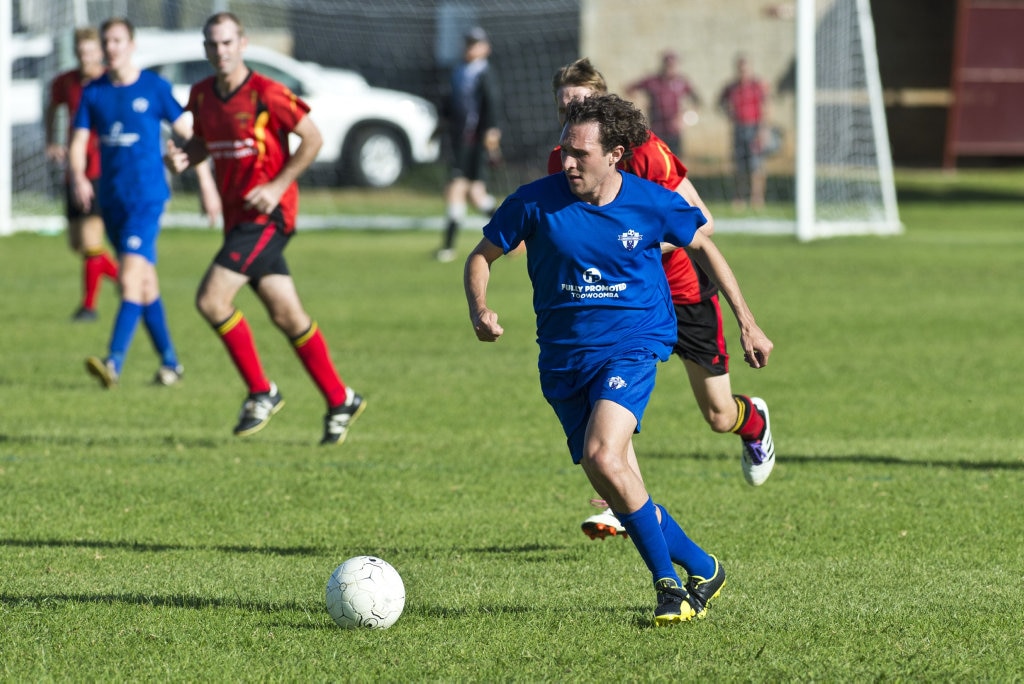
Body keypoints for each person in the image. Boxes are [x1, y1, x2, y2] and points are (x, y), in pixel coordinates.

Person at [465, 94, 773, 625]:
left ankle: (669, 589)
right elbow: (481, 255)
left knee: (605, 455)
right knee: (615, 475)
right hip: (563, 359)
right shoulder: (534, 201)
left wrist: (747, 319)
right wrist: (480, 308)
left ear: (615, 155)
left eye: (581, 154)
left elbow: (705, 246)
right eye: (564, 151)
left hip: (635, 341)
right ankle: (703, 565)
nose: (567, 163)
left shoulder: (652, 202)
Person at [549, 59, 776, 542]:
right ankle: (621, 502)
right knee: (607, 404)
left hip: (683, 292)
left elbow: (703, 222)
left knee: (718, 416)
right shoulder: (565, 163)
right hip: (620, 305)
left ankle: (752, 420)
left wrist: (639, 240)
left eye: (582, 103)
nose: (572, 113)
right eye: (565, 106)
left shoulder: (647, 153)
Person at [163, 12, 365, 445]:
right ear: (205, 49)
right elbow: (202, 144)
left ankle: (261, 391)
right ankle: (340, 397)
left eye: (227, 42)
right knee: (287, 315)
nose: (220, 51)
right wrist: (184, 157)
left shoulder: (267, 93)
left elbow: (312, 138)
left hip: (268, 217)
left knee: (211, 300)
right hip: (239, 221)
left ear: (243, 43)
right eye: (213, 44)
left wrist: (276, 187)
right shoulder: (201, 96)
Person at [70, 17, 218, 389]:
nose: (112, 48)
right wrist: (76, 177)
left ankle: (113, 362)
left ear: (132, 44)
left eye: (118, 40)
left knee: (130, 279)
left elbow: (190, 136)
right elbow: (76, 142)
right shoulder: (94, 92)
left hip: (148, 199)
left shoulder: (154, 88)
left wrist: (205, 183)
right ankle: (170, 363)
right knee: (146, 284)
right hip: (112, 200)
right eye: (107, 42)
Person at [45, 26, 118, 322]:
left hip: (102, 170)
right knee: (78, 244)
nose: (86, 58)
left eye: (91, 52)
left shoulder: (109, 82)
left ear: (100, 53)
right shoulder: (66, 82)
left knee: (90, 240)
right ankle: (129, 280)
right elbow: (51, 108)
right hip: (74, 171)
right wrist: (51, 140)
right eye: (81, 52)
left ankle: (88, 307)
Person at [435, 26, 502, 263]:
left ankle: (448, 247)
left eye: (475, 44)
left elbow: (491, 108)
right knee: (475, 194)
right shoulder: (459, 72)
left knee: (459, 189)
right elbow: (449, 105)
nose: (470, 48)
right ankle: (515, 239)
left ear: (485, 48)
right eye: (468, 43)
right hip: (459, 141)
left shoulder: (484, 73)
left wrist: (492, 141)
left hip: (475, 143)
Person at [625, 50, 701, 157]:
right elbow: (629, 89)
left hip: (674, 131)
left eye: (673, 65)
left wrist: (685, 118)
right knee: (657, 159)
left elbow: (697, 101)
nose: (670, 68)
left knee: (675, 161)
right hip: (657, 130)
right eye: (668, 65)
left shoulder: (682, 82)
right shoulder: (652, 81)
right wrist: (641, 101)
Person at [717, 53, 769, 209]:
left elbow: (766, 108)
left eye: (746, 69)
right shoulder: (731, 87)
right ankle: (739, 197)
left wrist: (763, 129)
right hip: (739, 128)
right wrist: (729, 114)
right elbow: (719, 103)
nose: (743, 72)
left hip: (755, 128)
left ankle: (757, 198)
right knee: (739, 166)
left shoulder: (757, 86)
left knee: (756, 165)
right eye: (741, 69)